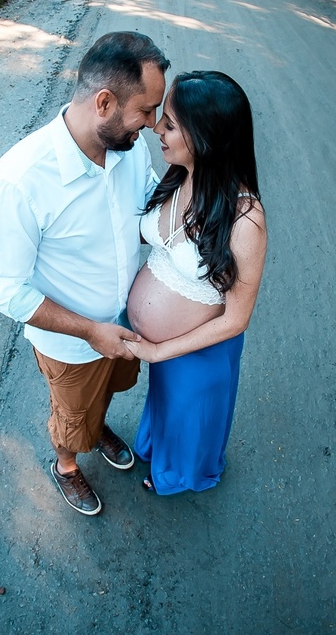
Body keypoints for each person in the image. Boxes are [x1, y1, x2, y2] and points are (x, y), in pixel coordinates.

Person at [0, 31, 170, 516]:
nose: (151, 125)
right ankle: (66, 465)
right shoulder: (18, 181)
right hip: (73, 343)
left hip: (124, 326)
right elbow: (5, 292)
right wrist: (89, 331)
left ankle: (97, 423)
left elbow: (147, 212)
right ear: (104, 102)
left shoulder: (127, 151)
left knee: (105, 394)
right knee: (71, 417)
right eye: (146, 111)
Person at [124, 70, 267, 495]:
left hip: (196, 352)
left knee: (190, 420)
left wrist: (158, 349)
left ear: (207, 136)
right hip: (162, 349)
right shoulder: (177, 178)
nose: (156, 129)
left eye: (169, 123)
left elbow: (236, 319)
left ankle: (181, 477)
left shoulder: (245, 220)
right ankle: (157, 451)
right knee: (166, 407)